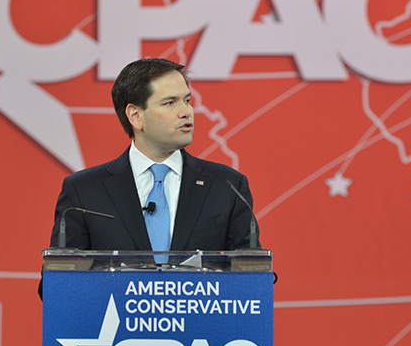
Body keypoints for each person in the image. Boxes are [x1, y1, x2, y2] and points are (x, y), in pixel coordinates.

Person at [39, 58, 258, 298]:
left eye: (187, 100)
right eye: (170, 103)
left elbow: (251, 280)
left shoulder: (227, 186)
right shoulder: (85, 191)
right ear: (135, 116)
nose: (186, 112)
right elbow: (56, 288)